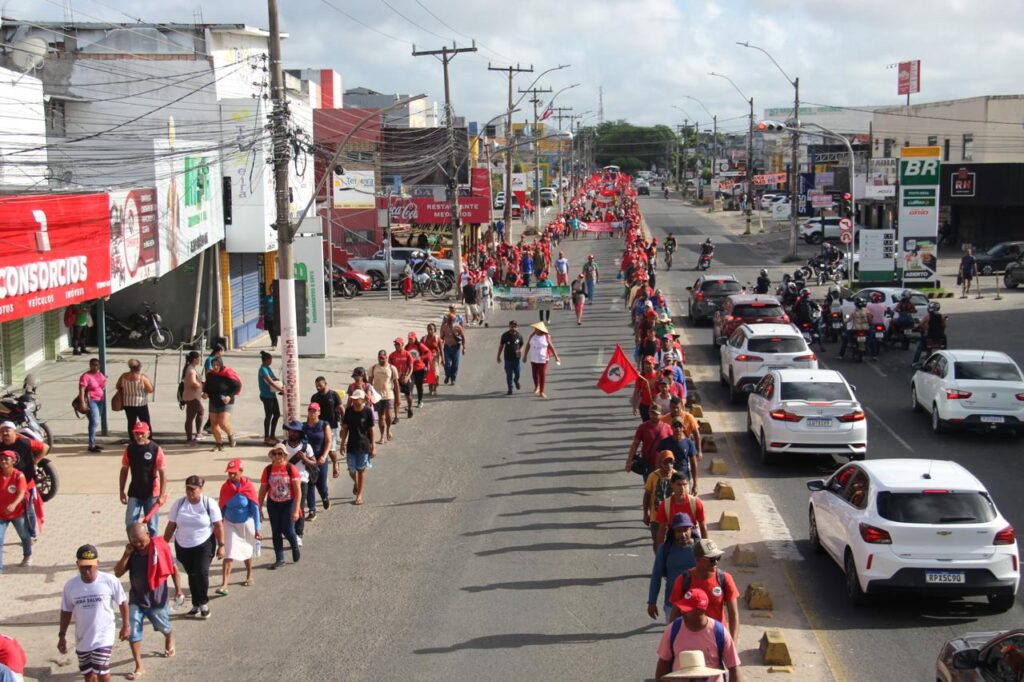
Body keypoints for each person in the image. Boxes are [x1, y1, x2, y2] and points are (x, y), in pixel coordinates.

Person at [114, 523, 179, 680]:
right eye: (134, 541)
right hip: (137, 598)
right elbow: (117, 573)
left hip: (157, 599)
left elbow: (174, 569)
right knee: (133, 632)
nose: (138, 544)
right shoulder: (132, 552)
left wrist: (178, 590)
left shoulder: (160, 548)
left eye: (141, 540)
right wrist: (126, 554)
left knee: (163, 626)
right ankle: (139, 666)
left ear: (148, 534)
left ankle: (169, 636)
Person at [58, 544, 129, 682]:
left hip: (104, 636)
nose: (87, 570)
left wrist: (126, 626)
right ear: (77, 564)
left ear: (97, 563)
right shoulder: (70, 586)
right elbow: (66, 611)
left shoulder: (110, 581)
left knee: (102, 671)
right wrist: (62, 635)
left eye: (90, 565)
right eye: (83, 566)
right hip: (82, 638)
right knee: (88, 674)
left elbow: (122, 602)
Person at [163, 476, 224, 620]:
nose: (190, 492)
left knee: (201, 572)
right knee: (191, 574)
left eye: (193, 489)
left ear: (200, 489)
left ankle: (203, 604)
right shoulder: (179, 504)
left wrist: (221, 545)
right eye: (187, 488)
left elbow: (218, 525)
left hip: (204, 544)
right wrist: (163, 544)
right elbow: (171, 525)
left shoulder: (209, 503)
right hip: (183, 545)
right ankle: (196, 605)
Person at [655, 587, 741, 682]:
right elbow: (663, 663)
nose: (683, 612)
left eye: (687, 610)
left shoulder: (719, 632)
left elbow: (734, 668)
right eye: (682, 608)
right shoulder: (673, 629)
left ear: (701, 610)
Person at [668, 539, 740, 641]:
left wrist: (733, 644)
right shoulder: (683, 580)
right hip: (691, 638)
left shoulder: (725, 579)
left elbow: (733, 615)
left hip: (717, 638)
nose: (715, 562)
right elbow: (675, 614)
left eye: (717, 557)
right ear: (698, 559)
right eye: (711, 559)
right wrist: (671, 641)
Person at [216, 459, 261, 591]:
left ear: (241, 471)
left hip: (246, 523)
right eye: (229, 473)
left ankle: (249, 575)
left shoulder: (248, 486)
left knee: (247, 550)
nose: (231, 476)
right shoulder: (225, 487)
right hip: (230, 523)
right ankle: (224, 584)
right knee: (229, 553)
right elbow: (221, 508)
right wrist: (218, 527)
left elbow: (255, 508)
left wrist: (257, 528)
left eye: (234, 473)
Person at [118, 420, 167, 537]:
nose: (139, 436)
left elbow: (163, 473)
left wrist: (161, 495)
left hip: (152, 492)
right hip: (134, 491)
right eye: (136, 433)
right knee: (130, 523)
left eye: (142, 433)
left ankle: (153, 549)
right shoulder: (129, 449)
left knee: (152, 525)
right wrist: (121, 491)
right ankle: (134, 548)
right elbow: (124, 470)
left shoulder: (155, 449)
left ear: (148, 433)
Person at [0, 421, 47, 543]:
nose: (5, 433)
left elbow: (44, 447)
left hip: (26, 482)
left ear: (14, 431)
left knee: (28, 510)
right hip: (7, 483)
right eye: (2, 431)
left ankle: (31, 535)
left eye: (7, 430)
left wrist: (36, 461)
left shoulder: (24, 442)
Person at [647, 513, 698, 624]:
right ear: (673, 532)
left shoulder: (700, 549)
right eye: (679, 531)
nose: (683, 534)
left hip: (697, 606)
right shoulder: (665, 549)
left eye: (686, 530)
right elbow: (656, 575)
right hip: (672, 604)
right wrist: (652, 601)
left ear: (692, 529)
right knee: (674, 639)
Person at [258, 446, 302, 569]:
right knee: (276, 531)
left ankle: (294, 545)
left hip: (289, 503)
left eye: (280, 453)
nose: (277, 456)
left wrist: (296, 509)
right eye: (275, 454)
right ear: (272, 456)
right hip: (273, 504)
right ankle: (280, 558)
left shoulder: (290, 468)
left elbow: (298, 491)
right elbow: (262, 490)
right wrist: (259, 507)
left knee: (287, 530)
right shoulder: (268, 470)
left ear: (285, 455)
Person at [338, 389, 376, 506]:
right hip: (351, 445)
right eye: (353, 399)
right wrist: (342, 443)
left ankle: (359, 494)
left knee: (360, 470)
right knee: (351, 470)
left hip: (364, 445)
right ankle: (356, 482)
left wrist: (373, 446)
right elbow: (345, 428)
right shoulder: (349, 411)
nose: (354, 401)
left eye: (356, 399)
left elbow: (371, 429)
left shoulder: (368, 411)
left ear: (362, 399)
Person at [281, 421, 316, 539]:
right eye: (290, 430)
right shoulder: (282, 446)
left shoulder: (306, 447)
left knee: (299, 507)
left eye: (295, 431)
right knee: (286, 508)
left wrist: (305, 459)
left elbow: (314, 463)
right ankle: (288, 530)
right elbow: (274, 462)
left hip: (302, 480)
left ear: (300, 433)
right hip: (285, 481)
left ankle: (299, 534)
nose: (292, 433)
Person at [654, 473, 708, 548]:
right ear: (672, 485)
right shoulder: (665, 505)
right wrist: (660, 553)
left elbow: (702, 526)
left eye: (684, 484)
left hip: (691, 534)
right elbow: (662, 530)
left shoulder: (696, 502)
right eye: (679, 485)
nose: (682, 488)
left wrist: (706, 548)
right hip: (673, 535)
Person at [0, 450, 31, 573]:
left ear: (13, 461)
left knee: (24, 535)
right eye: (1, 459)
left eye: (6, 459)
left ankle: (27, 555)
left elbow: (22, 493)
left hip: (17, 513)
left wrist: (13, 504)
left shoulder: (19, 475)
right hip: (1, 514)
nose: (3, 461)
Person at [202, 357, 242, 451]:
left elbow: (237, 386)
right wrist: (205, 394)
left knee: (222, 422)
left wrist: (229, 396)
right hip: (213, 401)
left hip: (226, 401)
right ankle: (219, 444)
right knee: (214, 424)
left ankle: (231, 434)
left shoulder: (227, 373)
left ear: (221, 364)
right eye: (214, 365)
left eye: (217, 364)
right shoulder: (210, 374)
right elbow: (207, 387)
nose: (215, 367)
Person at [302, 404, 334, 516]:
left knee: (321, 483)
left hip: (321, 459)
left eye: (314, 411)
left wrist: (324, 456)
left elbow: (328, 441)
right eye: (310, 411)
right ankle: (312, 509)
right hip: (307, 460)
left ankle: (325, 497)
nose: (312, 413)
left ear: (319, 412)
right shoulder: (303, 427)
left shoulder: (324, 425)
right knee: (309, 483)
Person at [625, 404, 672, 479]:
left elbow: (673, 445)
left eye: (656, 414)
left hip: (664, 465)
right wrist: (629, 461)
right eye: (652, 413)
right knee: (649, 488)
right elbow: (635, 444)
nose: (653, 415)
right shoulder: (642, 427)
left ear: (661, 414)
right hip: (647, 464)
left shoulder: (667, 428)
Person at [643, 451, 677, 548]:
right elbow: (647, 495)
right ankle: (659, 561)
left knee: (672, 544)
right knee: (658, 543)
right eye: (666, 463)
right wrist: (646, 514)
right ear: (660, 463)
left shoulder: (677, 476)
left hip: (673, 518)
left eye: (671, 463)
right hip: (656, 518)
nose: (669, 465)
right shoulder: (653, 476)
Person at [658, 419, 700, 494]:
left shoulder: (689, 443)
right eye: (675, 426)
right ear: (671, 427)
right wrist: (658, 479)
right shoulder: (664, 443)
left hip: (684, 480)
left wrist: (695, 484)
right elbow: (658, 461)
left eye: (680, 426)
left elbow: (694, 464)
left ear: (683, 427)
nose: (678, 429)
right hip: (668, 479)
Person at [116, 359, 154, 436]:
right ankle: (148, 437)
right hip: (140, 403)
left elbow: (117, 386)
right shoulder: (142, 377)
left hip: (128, 403)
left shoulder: (123, 376)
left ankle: (133, 439)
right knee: (145, 421)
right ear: (138, 367)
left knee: (131, 422)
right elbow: (150, 389)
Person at [523, 321, 560, 399]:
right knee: (534, 374)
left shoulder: (546, 337)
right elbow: (527, 345)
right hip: (534, 358)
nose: (535, 329)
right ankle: (537, 387)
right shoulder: (532, 336)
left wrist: (556, 357)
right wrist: (525, 356)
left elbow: (551, 347)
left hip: (543, 359)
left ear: (540, 329)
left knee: (542, 374)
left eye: (536, 328)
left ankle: (542, 391)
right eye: (535, 328)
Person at [369, 350, 400, 442]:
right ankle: (382, 436)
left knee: (388, 416)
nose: (381, 360)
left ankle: (388, 430)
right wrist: (369, 396)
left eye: (383, 358)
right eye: (379, 358)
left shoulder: (392, 368)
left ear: (386, 358)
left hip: (389, 395)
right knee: (381, 417)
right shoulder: (373, 368)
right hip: (377, 396)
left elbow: (396, 384)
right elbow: (369, 383)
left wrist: (398, 397)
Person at [78, 358, 106, 453]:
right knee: (95, 422)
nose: (95, 367)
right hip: (91, 401)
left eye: (97, 365)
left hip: (100, 400)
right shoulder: (85, 376)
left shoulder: (100, 374)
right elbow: (82, 389)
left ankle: (93, 442)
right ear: (90, 365)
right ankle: (91, 444)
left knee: (94, 422)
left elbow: (102, 385)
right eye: (93, 365)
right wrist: (82, 402)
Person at [257, 351, 283, 446]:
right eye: (270, 359)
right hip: (266, 396)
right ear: (267, 360)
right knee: (268, 416)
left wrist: (280, 386)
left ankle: (272, 435)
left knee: (276, 414)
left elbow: (274, 379)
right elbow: (270, 382)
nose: (271, 361)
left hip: (272, 395)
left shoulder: (268, 368)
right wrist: (281, 389)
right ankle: (266, 437)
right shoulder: (263, 370)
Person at [181, 351, 205, 445]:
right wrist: (201, 384)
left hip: (194, 396)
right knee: (190, 417)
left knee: (200, 412)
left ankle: (198, 433)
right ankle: (189, 439)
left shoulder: (191, 368)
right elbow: (193, 383)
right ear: (194, 359)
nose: (199, 360)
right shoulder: (191, 370)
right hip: (192, 397)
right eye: (198, 358)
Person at [913, 301, 947, 365]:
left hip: (929, 335)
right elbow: (944, 326)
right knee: (944, 346)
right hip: (940, 336)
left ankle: (915, 362)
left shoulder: (928, 316)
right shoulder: (941, 316)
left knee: (920, 347)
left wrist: (926, 328)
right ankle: (946, 360)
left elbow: (921, 324)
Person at [389, 338, 415, 420]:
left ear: (402, 345)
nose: (396, 346)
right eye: (395, 344)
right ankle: (396, 417)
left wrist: (407, 376)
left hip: (405, 378)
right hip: (396, 379)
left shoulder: (407, 354)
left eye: (398, 344)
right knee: (397, 398)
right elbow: (389, 367)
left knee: (409, 396)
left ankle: (410, 408)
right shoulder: (392, 355)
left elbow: (411, 367)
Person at [497, 320, 524, 395]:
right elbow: (501, 346)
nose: (513, 328)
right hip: (508, 359)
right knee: (509, 374)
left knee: (518, 373)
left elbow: (522, 345)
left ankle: (516, 380)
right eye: (512, 326)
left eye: (515, 326)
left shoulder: (519, 335)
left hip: (516, 359)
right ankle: (510, 388)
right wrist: (498, 356)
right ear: (509, 326)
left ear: (516, 327)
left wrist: (520, 350)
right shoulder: (505, 335)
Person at [440, 313, 467, 386]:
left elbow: (463, 337)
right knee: (447, 364)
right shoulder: (444, 327)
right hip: (447, 347)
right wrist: (440, 345)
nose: (450, 321)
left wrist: (464, 348)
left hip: (456, 347)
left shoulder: (458, 327)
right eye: (449, 319)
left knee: (455, 364)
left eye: (452, 320)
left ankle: (453, 379)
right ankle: (447, 375)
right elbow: (441, 337)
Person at [405, 333, 431, 408]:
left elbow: (428, 353)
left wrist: (421, 357)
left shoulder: (420, 345)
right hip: (411, 370)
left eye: (411, 339)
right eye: (409, 339)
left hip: (420, 369)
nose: (410, 340)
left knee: (419, 386)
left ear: (415, 338)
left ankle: (420, 401)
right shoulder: (407, 346)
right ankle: (409, 404)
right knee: (410, 386)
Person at [423, 323, 442, 396]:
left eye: (431, 329)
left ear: (434, 330)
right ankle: (431, 389)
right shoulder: (424, 338)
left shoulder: (437, 338)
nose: (429, 331)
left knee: (436, 374)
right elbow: (420, 347)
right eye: (428, 329)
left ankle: (435, 386)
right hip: (427, 358)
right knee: (429, 374)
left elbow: (441, 349)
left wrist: (443, 359)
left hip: (435, 358)